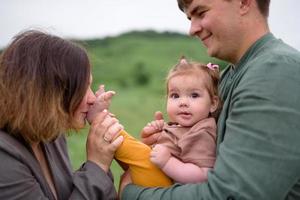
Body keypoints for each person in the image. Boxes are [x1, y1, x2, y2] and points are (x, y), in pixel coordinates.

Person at [119, 0, 300, 199]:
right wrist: (171, 139)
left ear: (244, 3)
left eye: (201, 12)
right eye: (190, 18)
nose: (192, 29)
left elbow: (232, 194)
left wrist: (133, 194)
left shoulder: (275, 72)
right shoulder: (230, 75)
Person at [0, 30, 124, 200]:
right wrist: (96, 166)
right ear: (50, 93)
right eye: (82, 87)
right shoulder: (3, 155)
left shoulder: (51, 135)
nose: (93, 98)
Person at [88, 57, 220, 187]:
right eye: (175, 95)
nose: (183, 102)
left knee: (134, 151)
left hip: (168, 185)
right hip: (158, 177)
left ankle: (99, 119)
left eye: (194, 95)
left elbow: (202, 175)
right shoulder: (185, 126)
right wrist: (161, 132)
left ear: (213, 103)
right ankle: (102, 122)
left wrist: (167, 162)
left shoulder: (202, 132)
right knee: (128, 151)